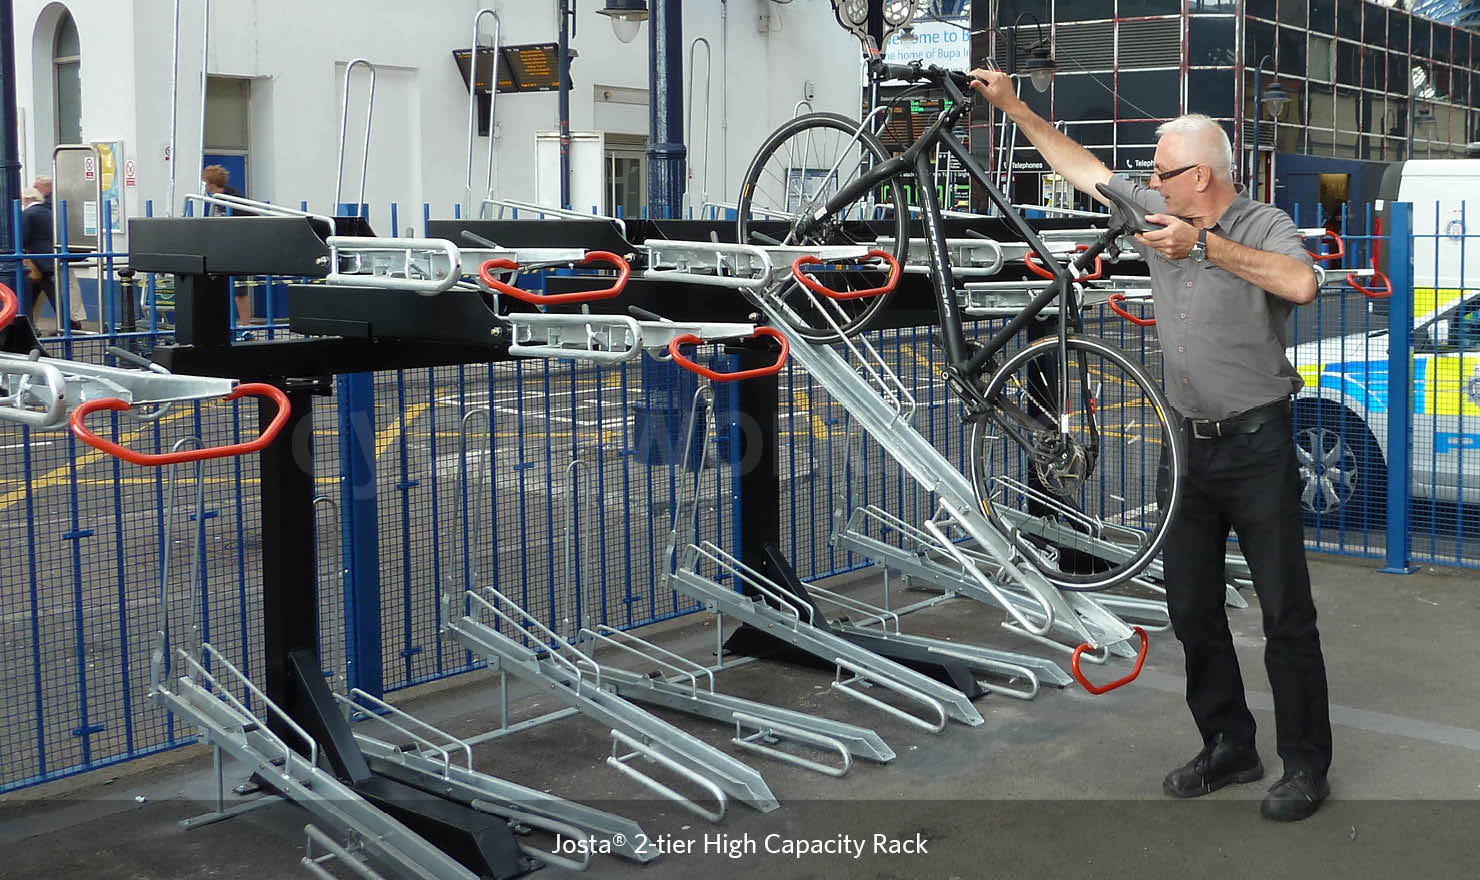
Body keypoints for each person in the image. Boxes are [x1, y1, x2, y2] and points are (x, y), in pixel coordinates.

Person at [969, 68, 1332, 822]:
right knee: (1191, 606)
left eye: (1164, 172)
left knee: (1284, 613)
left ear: (1199, 177)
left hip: (1259, 443)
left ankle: (1305, 766)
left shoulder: (1261, 224)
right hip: (1186, 448)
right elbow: (1084, 168)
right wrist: (1013, 108)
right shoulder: (1154, 206)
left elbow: (1301, 284)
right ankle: (1229, 742)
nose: (1153, 183)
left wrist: (1203, 247)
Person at [20, 184, 86, 332]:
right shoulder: (49, 212)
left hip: (36, 262)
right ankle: (67, 324)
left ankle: (30, 327)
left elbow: (22, 239)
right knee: (46, 294)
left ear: (27, 198)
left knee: (32, 295)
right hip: (51, 259)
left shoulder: (28, 214)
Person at [201, 165, 254, 331]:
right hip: (219, 251)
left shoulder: (233, 199)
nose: (205, 187)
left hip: (235, 250)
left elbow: (250, 219)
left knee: (240, 291)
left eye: (206, 183)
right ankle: (218, 324)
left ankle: (246, 327)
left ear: (211, 183)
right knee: (217, 289)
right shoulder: (216, 199)